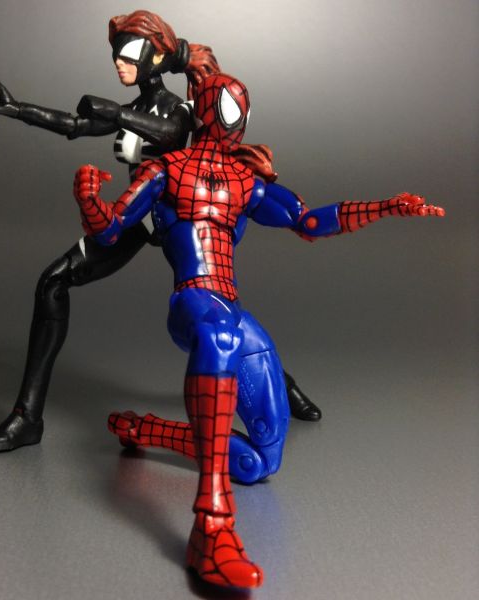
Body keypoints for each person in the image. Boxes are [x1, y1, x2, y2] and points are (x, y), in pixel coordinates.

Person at [73, 72, 444, 587]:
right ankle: (212, 525)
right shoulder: (165, 170)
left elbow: (307, 221)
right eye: (230, 107)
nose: (238, 119)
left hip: (230, 308)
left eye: (243, 110)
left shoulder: (244, 183)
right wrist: (89, 198)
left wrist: (385, 207)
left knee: (260, 460)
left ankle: (150, 430)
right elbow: (112, 229)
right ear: (205, 107)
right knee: (221, 336)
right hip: (193, 301)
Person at [0, 11, 320, 453]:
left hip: (180, 214)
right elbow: (76, 126)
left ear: (157, 57)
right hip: (135, 214)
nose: (120, 62)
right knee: (54, 281)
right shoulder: (133, 109)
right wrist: (19, 110)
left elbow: (171, 134)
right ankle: (28, 416)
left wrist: (116, 113)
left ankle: (281, 383)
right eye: (116, 54)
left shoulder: (182, 109)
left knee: (219, 309)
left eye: (130, 53)